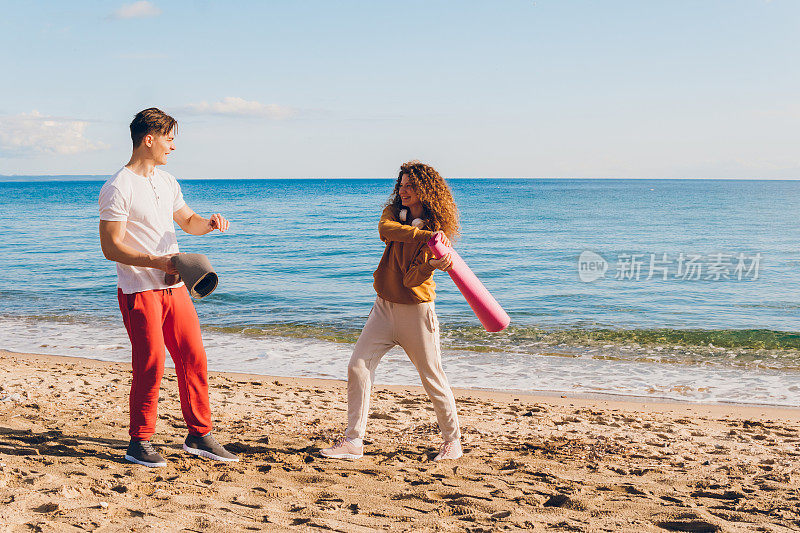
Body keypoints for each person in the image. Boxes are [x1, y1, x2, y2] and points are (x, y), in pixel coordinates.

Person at [98, 108, 238, 467]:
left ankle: (199, 434)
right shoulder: (118, 186)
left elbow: (187, 220)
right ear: (149, 139)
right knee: (152, 363)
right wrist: (157, 262)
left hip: (175, 287)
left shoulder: (167, 181)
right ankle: (139, 442)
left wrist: (208, 223)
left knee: (194, 356)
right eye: (169, 139)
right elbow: (111, 247)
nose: (172, 147)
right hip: (139, 289)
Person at [321, 161, 463, 462]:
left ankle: (453, 442)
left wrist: (431, 264)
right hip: (383, 308)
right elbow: (385, 229)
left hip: (417, 312)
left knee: (432, 377)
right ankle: (353, 441)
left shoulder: (436, 233)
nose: (403, 191)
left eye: (411, 186)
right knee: (357, 367)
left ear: (426, 190)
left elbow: (411, 280)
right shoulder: (395, 216)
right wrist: (424, 237)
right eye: (401, 185)